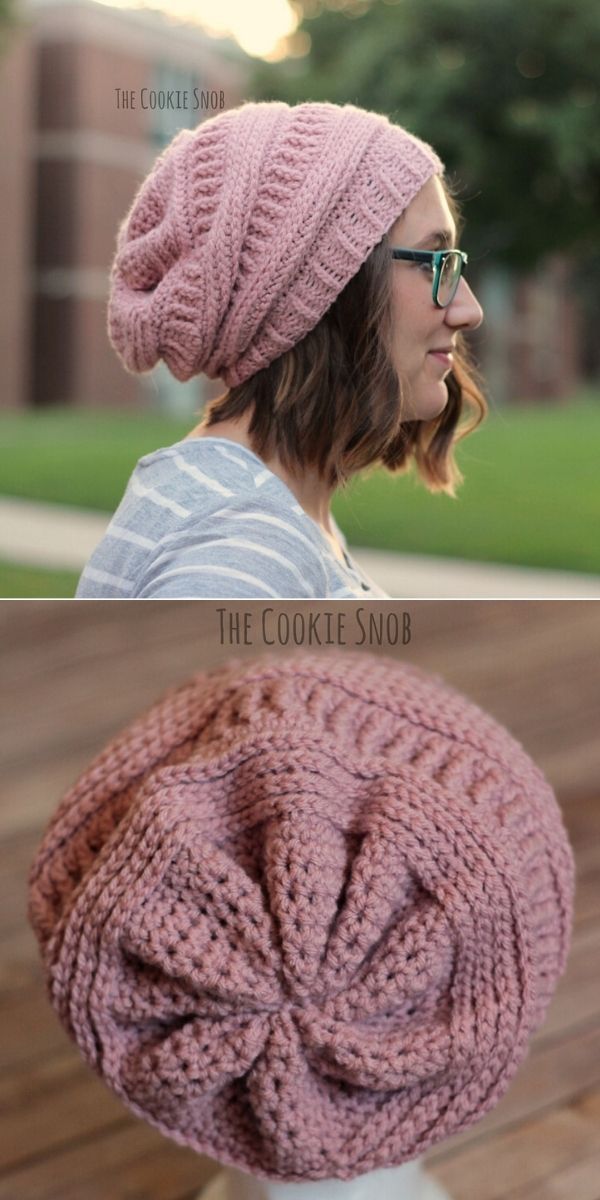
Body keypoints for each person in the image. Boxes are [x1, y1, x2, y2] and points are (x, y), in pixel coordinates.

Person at [76, 101, 485, 600]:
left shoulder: (271, 518)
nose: (468, 309)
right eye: (433, 262)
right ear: (324, 294)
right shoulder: (239, 546)